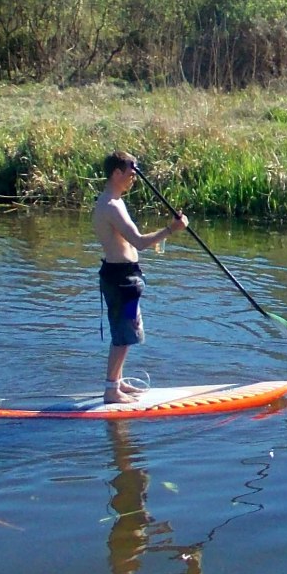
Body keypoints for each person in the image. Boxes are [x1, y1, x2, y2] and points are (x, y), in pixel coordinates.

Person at [92, 151, 188, 404]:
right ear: (116, 173)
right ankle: (111, 390)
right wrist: (171, 229)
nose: (134, 178)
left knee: (125, 333)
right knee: (123, 335)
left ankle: (117, 381)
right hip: (122, 281)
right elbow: (140, 242)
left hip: (123, 277)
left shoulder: (112, 201)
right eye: (131, 173)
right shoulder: (111, 206)